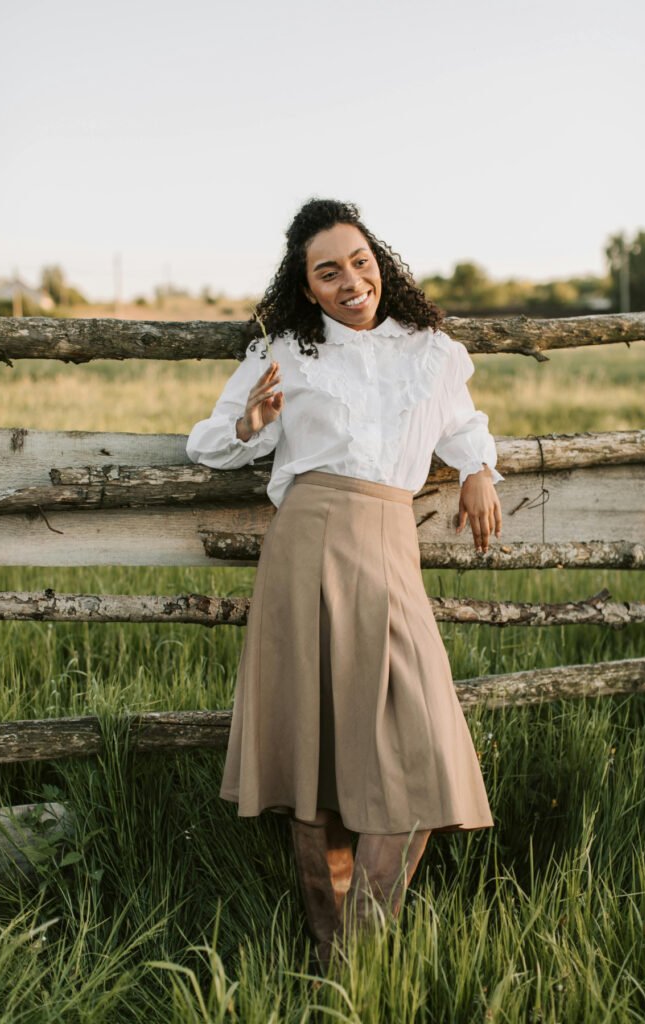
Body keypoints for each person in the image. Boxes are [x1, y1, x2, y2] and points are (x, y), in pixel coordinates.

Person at [186, 198, 503, 972]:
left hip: (391, 543)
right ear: (307, 286)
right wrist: (250, 423)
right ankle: (337, 962)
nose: (349, 280)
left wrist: (480, 470)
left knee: (421, 743)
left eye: (359, 261)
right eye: (328, 271)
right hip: (309, 541)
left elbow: (460, 425)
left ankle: (360, 941)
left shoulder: (428, 350)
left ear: (379, 263)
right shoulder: (286, 352)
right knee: (312, 752)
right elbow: (205, 444)